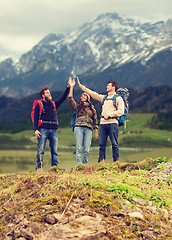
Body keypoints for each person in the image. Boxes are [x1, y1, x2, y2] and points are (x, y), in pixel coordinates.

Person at [77, 77, 124, 163]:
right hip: (102, 124)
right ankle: (101, 162)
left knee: (114, 143)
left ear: (113, 87)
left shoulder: (118, 98)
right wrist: (81, 86)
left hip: (113, 123)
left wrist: (110, 115)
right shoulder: (104, 98)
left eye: (108, 85)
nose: (106, 87)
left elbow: (121, 111)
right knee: (102, 144)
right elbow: (92, 94)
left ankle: (116, 162)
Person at [34, 80, 70, 170]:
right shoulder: (39, 104)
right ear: (43, 95)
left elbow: (63, 98)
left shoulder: (54, 104)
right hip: (43, 130)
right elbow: (35, 118)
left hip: (54, 130)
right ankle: (39, 168)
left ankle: (54, 167)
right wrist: (36, 129)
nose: (49, 94)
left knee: (54, 150)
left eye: (49, 92)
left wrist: (68, 88)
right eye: (47, 93)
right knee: (41, 149)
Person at [68, 77, 98, 164]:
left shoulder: (93, 110)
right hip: (79, 127)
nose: (83, 96)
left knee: (87, 149)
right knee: (78, 147)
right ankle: (79, 164)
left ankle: (85, 164)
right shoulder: (77, 107)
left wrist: (96, 132)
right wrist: (72, 87)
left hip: (89, 128)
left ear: (88, 98)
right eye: (82, 96)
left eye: (85, 95)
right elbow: (70, 99)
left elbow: (95, 122)